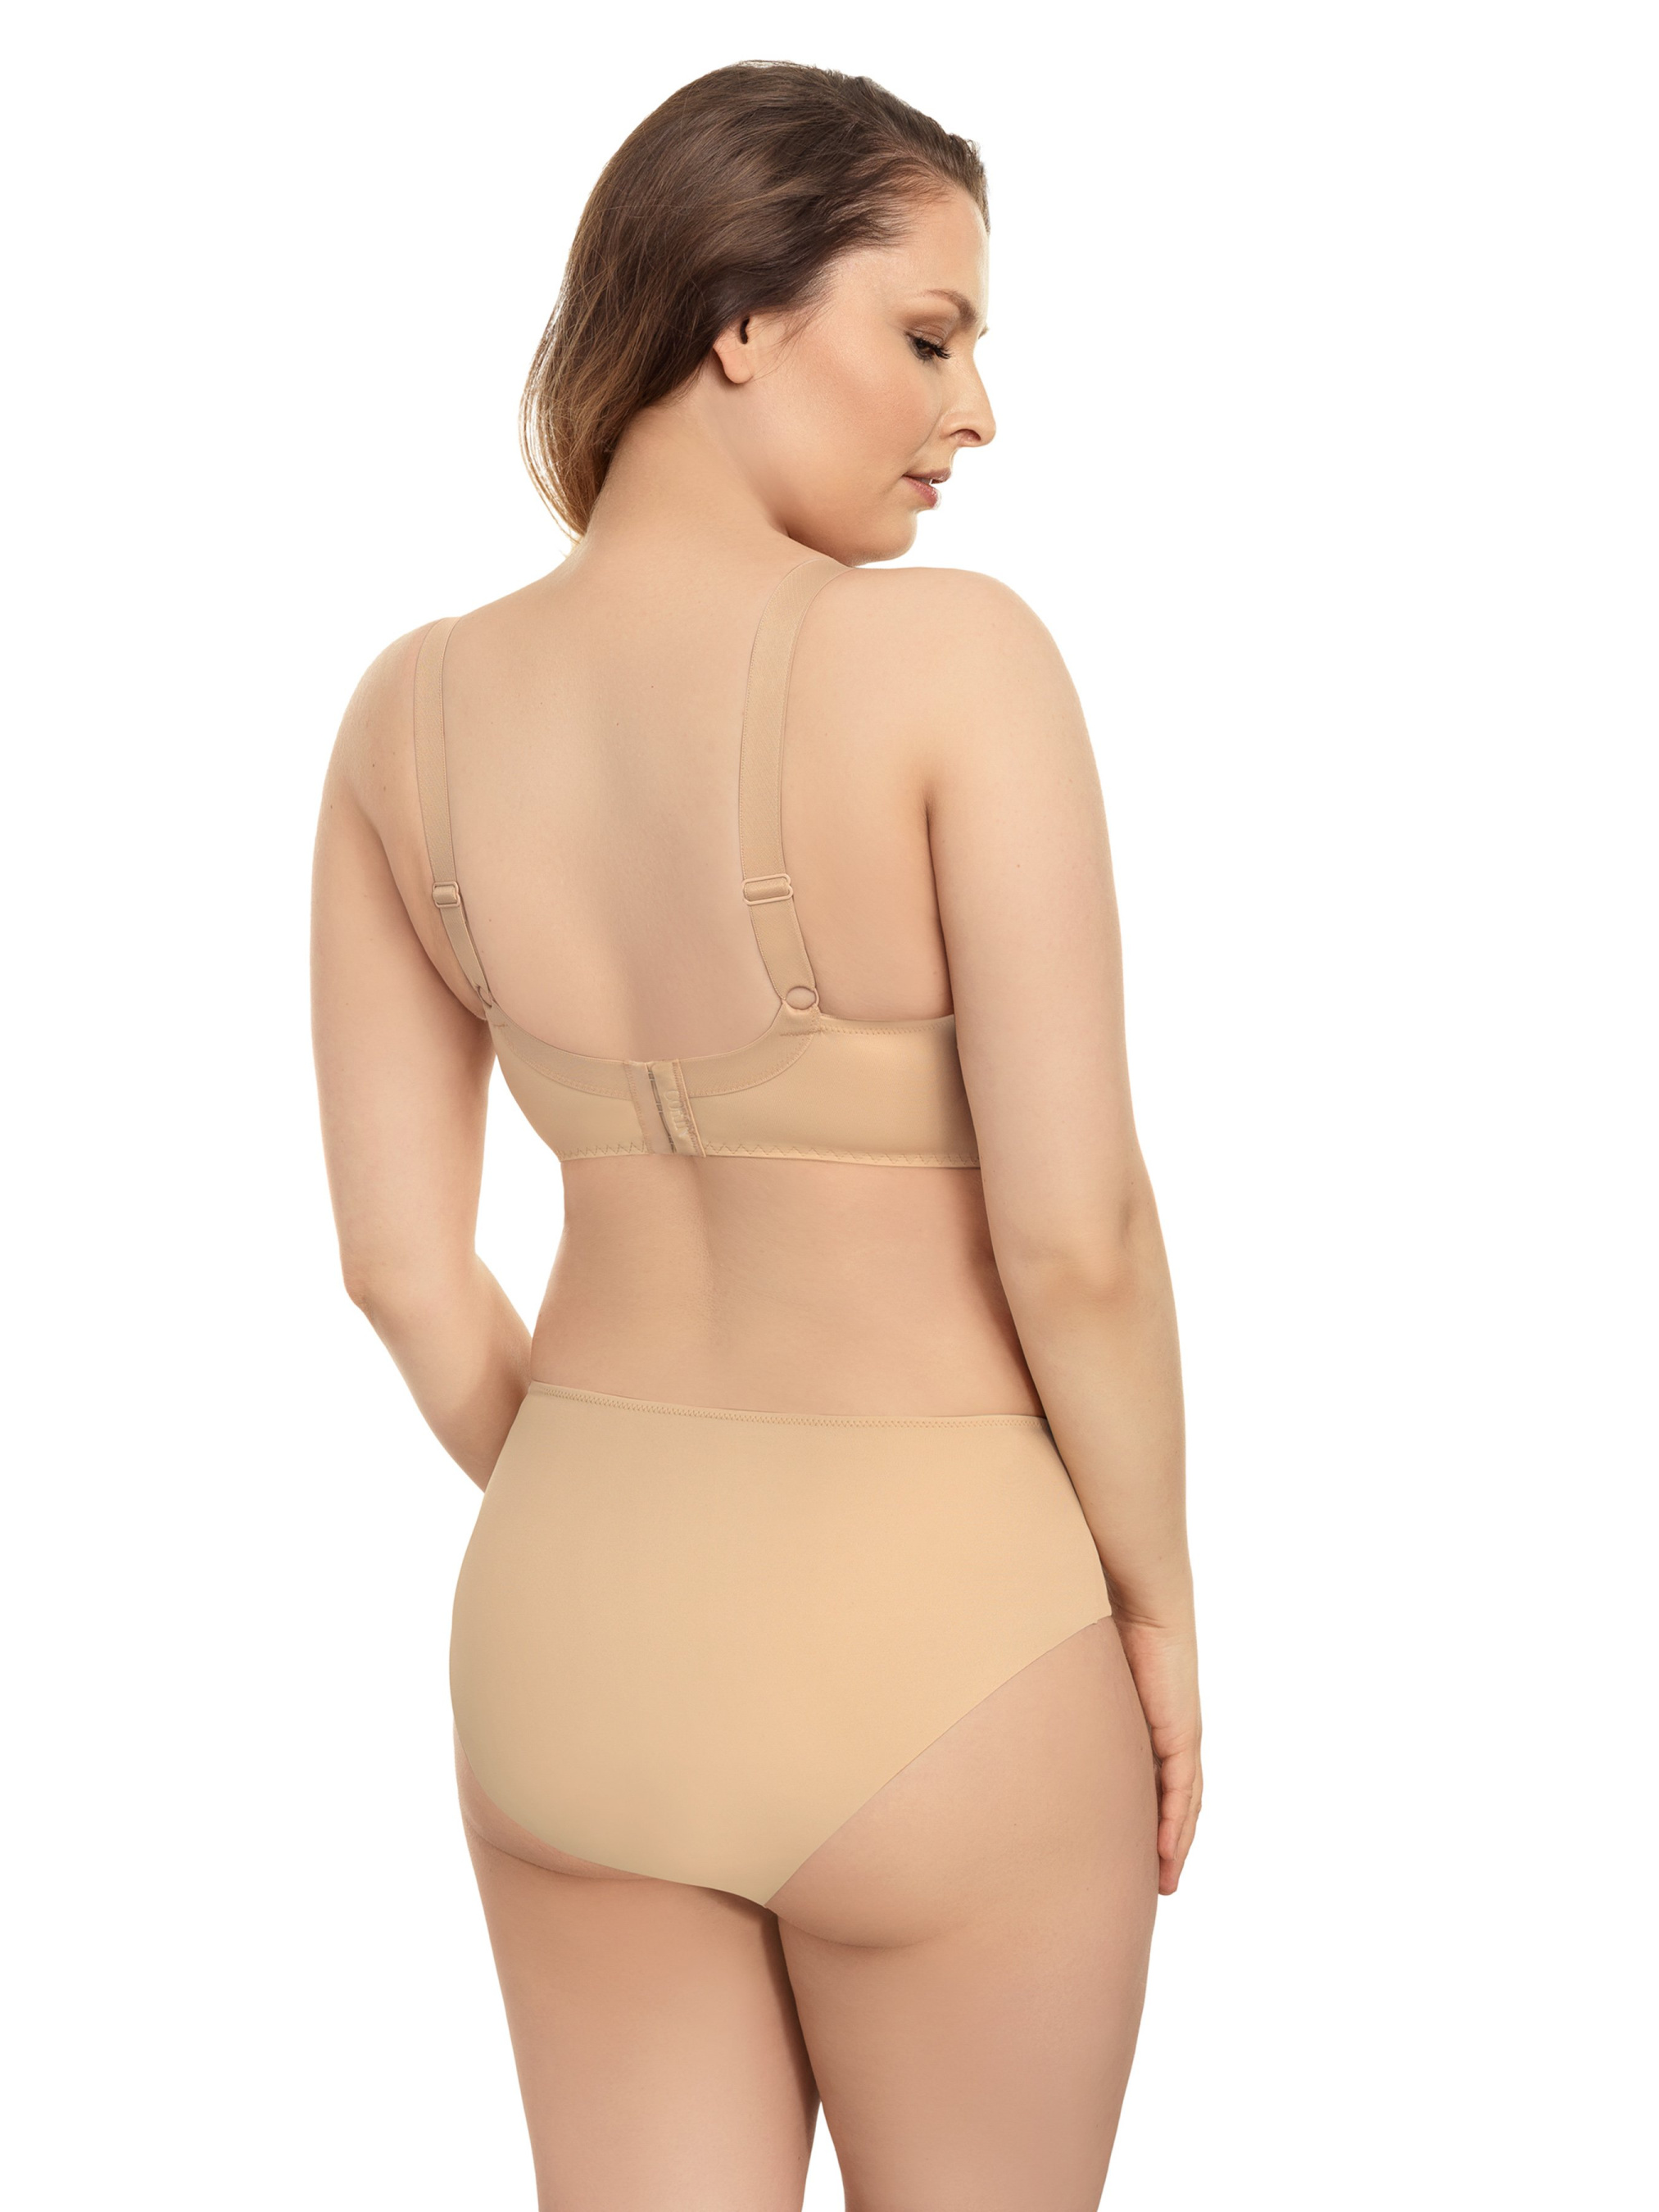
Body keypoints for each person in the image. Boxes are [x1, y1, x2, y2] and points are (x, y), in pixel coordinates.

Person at [311, 58, 1200, 2210]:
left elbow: (401, 1270)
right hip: (946, 1637)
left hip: (568, 1637)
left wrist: (621, 1511)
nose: (976, 412)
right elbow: (1074, 1233)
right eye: (930, 335)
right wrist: (1157, 1607)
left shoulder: (407, 717)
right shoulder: (951, 664)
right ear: (738, 318)